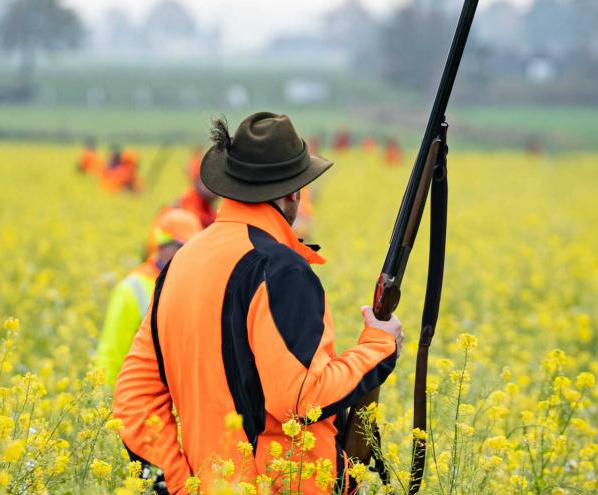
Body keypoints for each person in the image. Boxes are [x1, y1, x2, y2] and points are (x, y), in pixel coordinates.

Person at [113, 112, 404, 494]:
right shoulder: (281, 269)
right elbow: (302, 396)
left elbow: (133, 400)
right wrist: (379, 345)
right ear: (293, 192)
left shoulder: (179, 262)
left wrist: (184, 485)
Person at [95, 208, 203, 385]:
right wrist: (101, 401)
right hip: (137, 395)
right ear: (161, 245)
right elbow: (111, 353)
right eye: (180, 247)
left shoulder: (194, 286)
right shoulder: (131, 289)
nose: (187, 254)